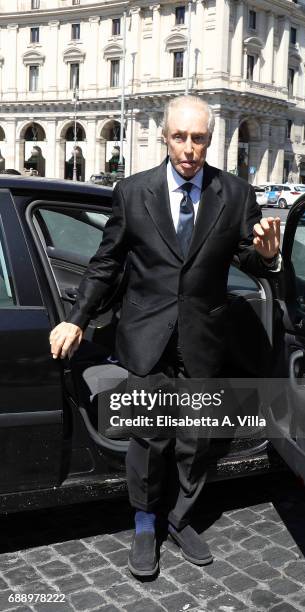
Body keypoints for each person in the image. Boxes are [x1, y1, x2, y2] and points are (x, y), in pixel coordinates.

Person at [49, 95, 281, 578]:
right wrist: (78, 317)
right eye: (181, 137)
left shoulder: (235, 193)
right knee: (150, 439)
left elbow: (250, 260)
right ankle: (144, 521)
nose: (189, 149)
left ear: (210, 141)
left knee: (197, 440)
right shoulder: (133, 192)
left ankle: (180, 518)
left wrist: (267, 254)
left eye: (199, 139)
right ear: (164, 135)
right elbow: (107, 263)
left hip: (202, 339)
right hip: (146, 337)